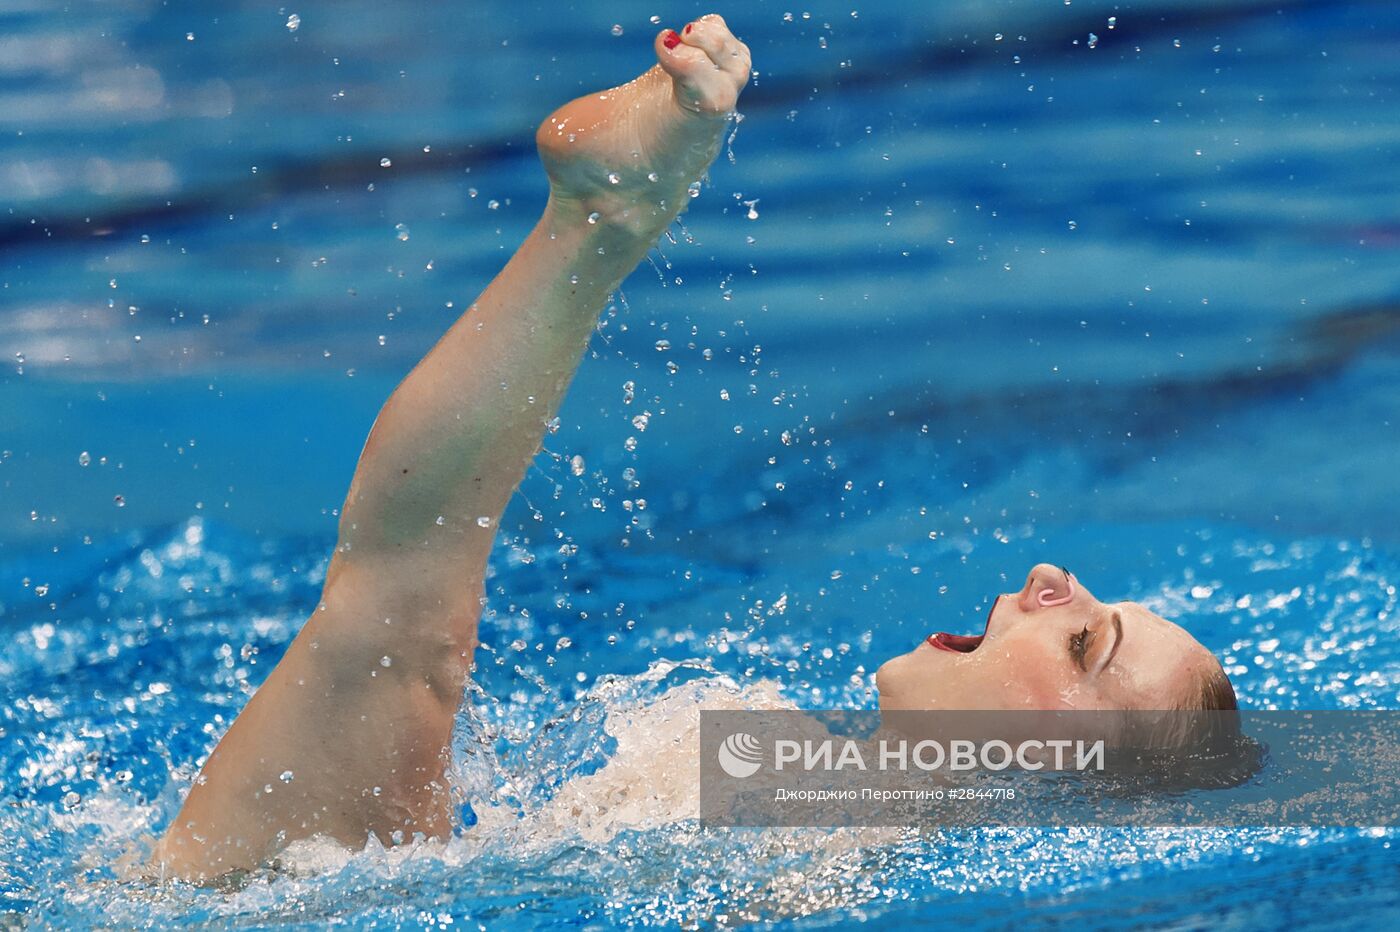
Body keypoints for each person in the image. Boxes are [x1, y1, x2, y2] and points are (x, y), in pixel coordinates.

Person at [148, 15, 1234, 883]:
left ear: (1056, 786)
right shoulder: (763, 749)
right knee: (399, 620)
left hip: (229, 896)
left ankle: (596, 231)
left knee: (398, 619)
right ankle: (592, 228)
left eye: (1086, 645)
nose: (1050, 577)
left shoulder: (823, 850)